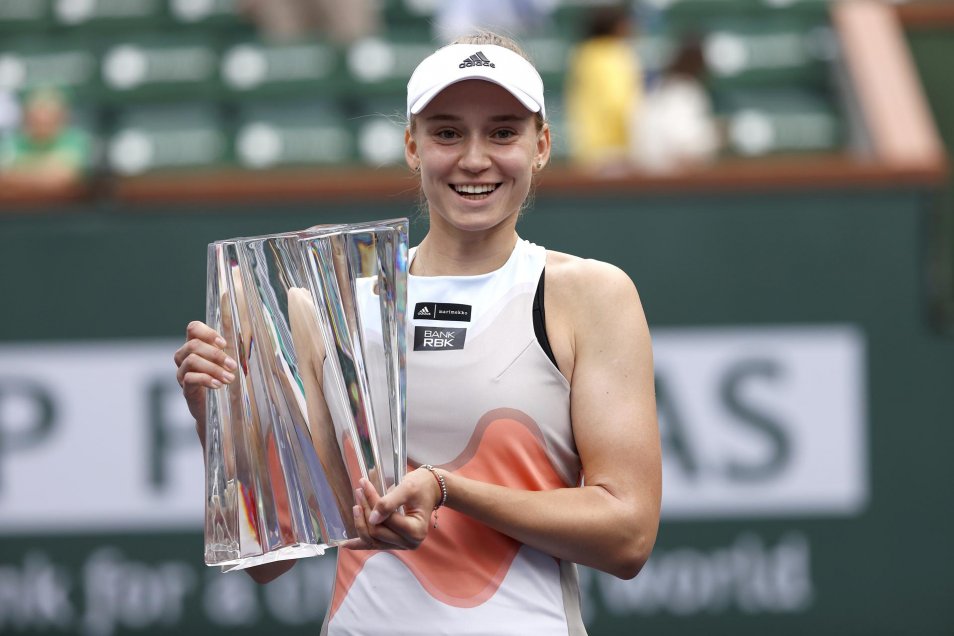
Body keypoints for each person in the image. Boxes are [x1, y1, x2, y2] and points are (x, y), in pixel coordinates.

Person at [175, 31, 661, 635]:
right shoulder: (340, 294)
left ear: (541, 146)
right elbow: (274, 558)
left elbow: (628, 535)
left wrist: (447, 489)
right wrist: (219, 418)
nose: (475, 158)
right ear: (413, 145)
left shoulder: (590, 295)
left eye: (503, 132)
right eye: (448, 132)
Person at [564, 5, 643, 171]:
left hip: (586, 148)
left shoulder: (582, 54)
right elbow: (617, 103)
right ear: (617, 26)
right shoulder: (614, 55)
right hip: (614, 150)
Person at [632, 36, 720, 173]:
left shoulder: (662, 86)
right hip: (669, 176)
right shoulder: (683, 92)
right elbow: (683, 144)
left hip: (655, 172)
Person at [0, 87, 90, 195]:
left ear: (62, 115)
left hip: (65, 208)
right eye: (37, 111)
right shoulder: (12, 142)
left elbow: (63, 178)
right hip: (17, 207)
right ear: (26, 115)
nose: (42, 117)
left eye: (48, 112)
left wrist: (20, 172)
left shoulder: (76, 140)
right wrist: (44, 171)